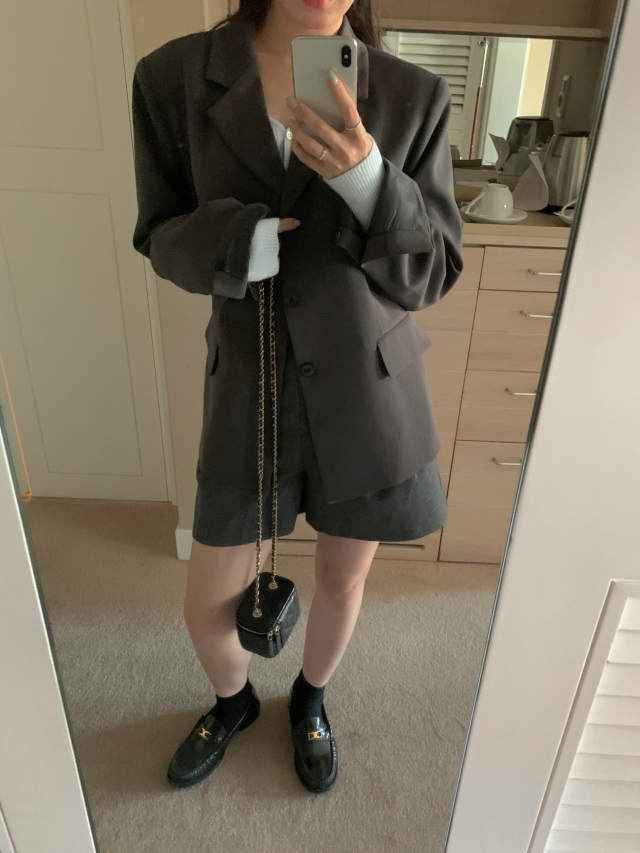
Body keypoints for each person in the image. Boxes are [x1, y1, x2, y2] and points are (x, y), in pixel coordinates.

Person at [131, 0, 463, 795]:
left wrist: (370, 181)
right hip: (249, 383)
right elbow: (159, 231)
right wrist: (232, 243)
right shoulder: (174, 77)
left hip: (367, 387)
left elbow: (435, 268)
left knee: (342, 581)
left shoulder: (413, 95)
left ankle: (310, 699)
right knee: (207, 604)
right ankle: (234, 700)